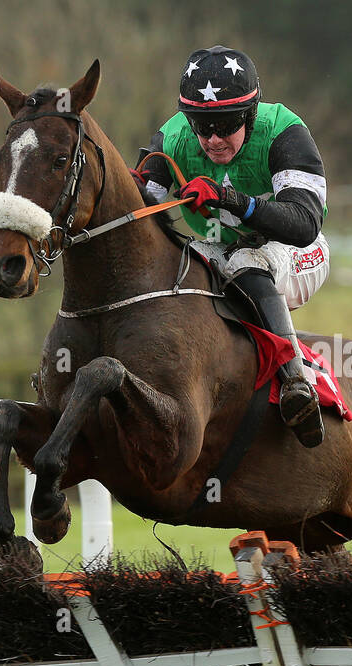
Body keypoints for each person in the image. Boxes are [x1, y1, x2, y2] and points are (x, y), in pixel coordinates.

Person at [135, 46, 330, 447]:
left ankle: (297, 384)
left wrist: (233, 201)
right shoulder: (170, 138)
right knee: (175, 268)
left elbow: (304, 224)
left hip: (293, 250)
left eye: (225, 126)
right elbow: (135, 213)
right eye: (202, 127)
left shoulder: (284, 131)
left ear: (250, 114)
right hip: (216, 251)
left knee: (246, 262)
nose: (213, 140)